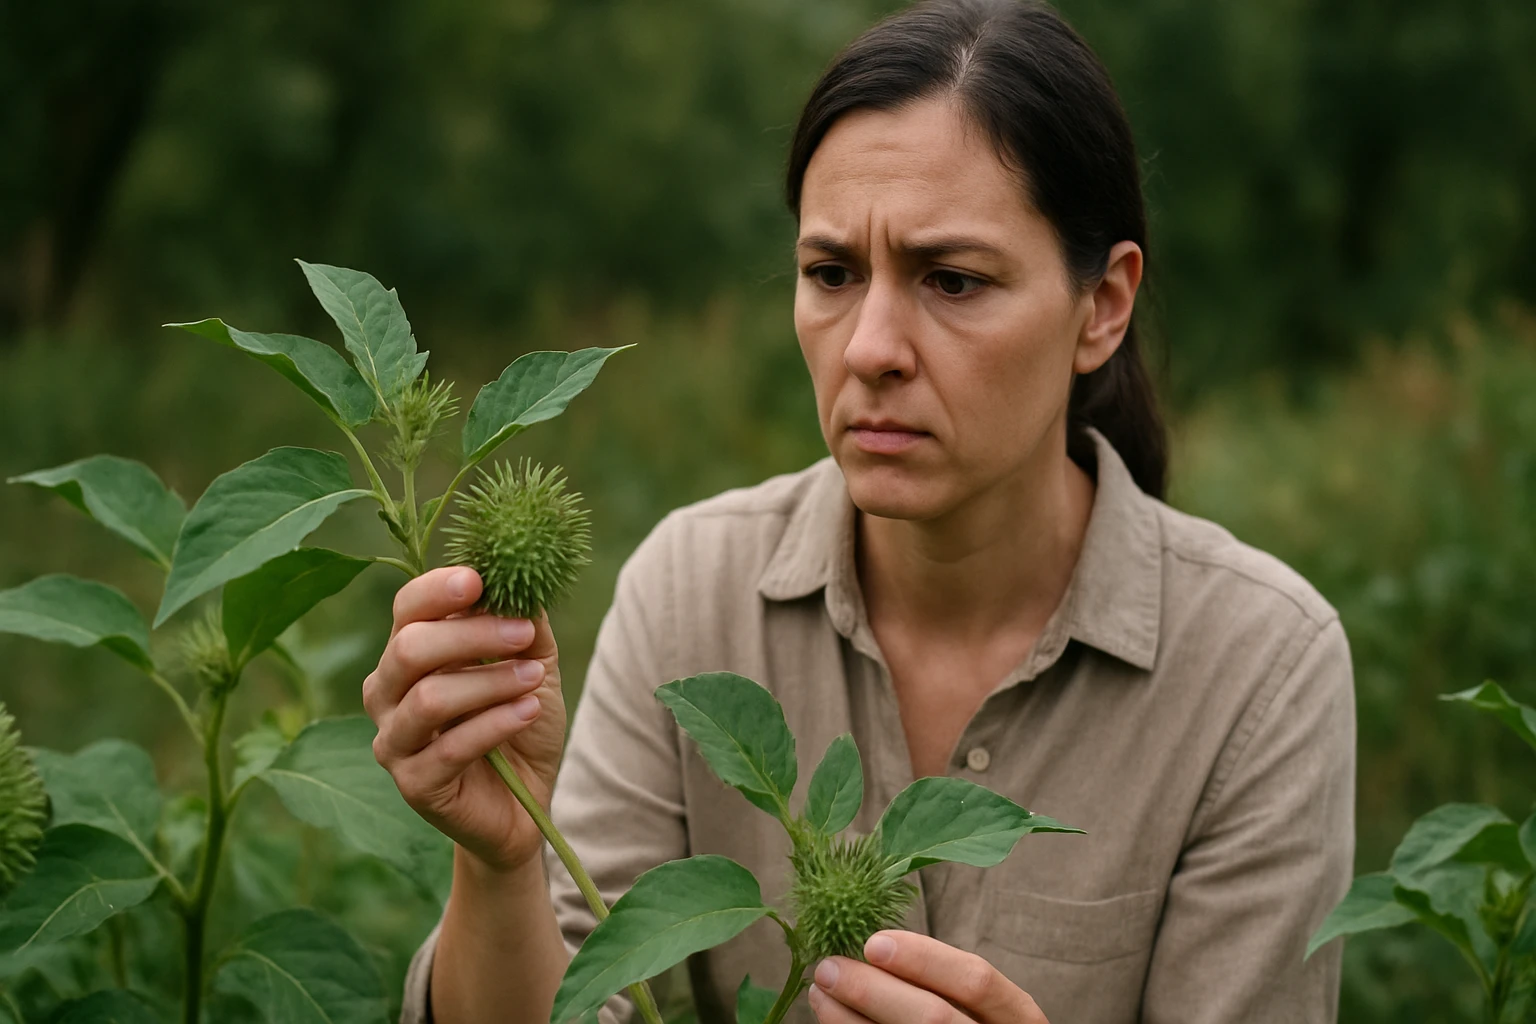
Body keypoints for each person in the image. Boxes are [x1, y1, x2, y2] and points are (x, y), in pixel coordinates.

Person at [368, 1, 1356, 1021]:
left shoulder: (1258, 669)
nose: (871, 346)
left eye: (953, 280)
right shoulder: (691, 593)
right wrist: (500, 861)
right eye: (831, 273)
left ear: (1102, 305)